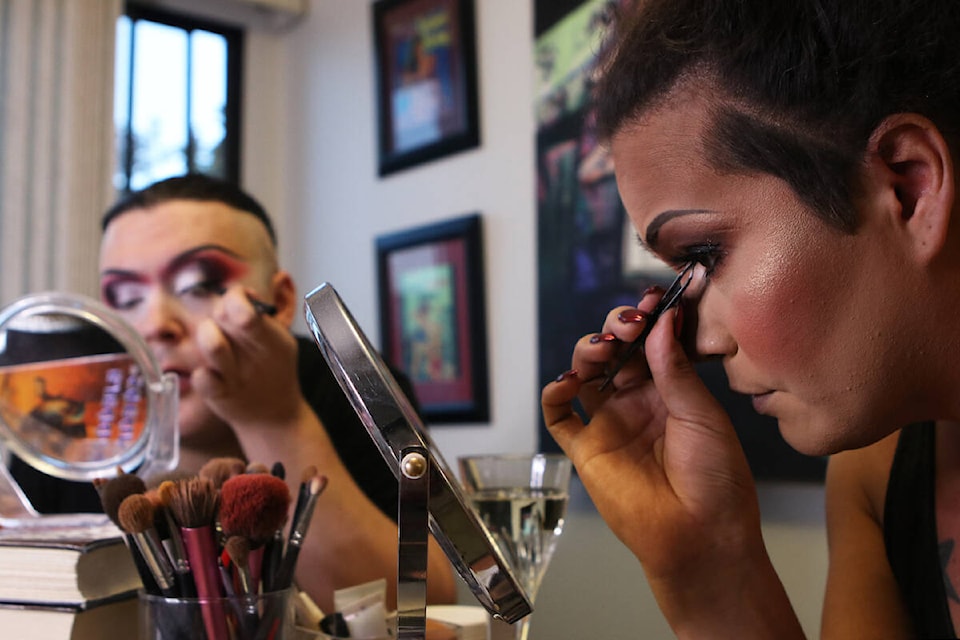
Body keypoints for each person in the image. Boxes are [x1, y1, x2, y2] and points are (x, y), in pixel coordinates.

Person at [540, 0, 960, 637]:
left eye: (705, 255)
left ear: (907, 188)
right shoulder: (875, 476)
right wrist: (706, 567)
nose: (701, 340)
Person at [10, 174, 456, 612]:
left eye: (198, 285)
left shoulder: (353, 386)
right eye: (125, 297)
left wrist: (276, 420)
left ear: (279, 301)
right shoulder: (68, 418)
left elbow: (425, 604)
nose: (154, 324)